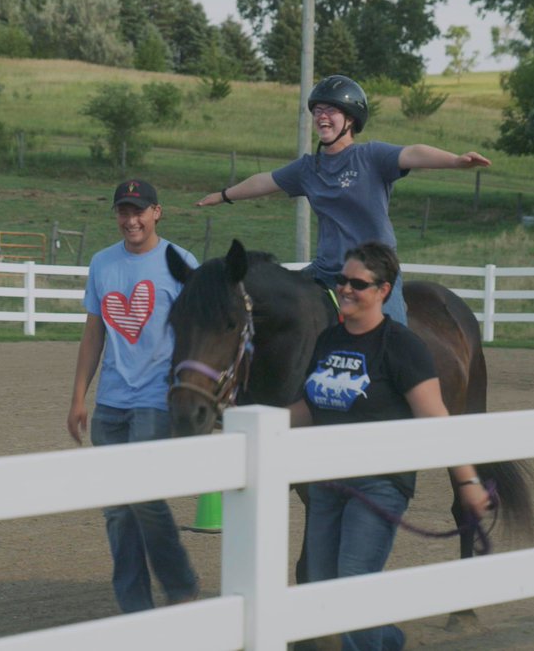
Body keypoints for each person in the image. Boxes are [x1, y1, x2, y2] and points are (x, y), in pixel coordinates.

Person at [288, 242, 491, 651]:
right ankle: (391, 641)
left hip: (378, 485)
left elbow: (436, 418)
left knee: (353, 593)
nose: (345, 289)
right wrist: (252, 424)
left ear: (383, 290)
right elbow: (312, 404)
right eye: (342, 281)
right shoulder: (328, 340)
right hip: (327, 483)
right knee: (322, 595)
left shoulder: (402, 346)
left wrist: (467, 481)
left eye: (357, 284)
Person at [195, 74, 491, 326]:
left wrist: (456, 161)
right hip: (326, 271)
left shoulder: (371, 156)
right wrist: (223, 196)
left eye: (331, 110)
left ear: (350, 118)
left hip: (375, 271)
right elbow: (265, 181)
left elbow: (413, 152)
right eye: (317, 110)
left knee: (391, 338)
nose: (322, 116)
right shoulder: (308, 168)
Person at [66, 178, 201, 613]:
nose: (131, 219)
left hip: (157, 400)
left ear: (157, 212)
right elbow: (93, 334)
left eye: (139, 211)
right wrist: (78, 398)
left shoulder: (180, 262)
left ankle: (179, 584)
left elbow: (201, 333)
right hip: (111, 403)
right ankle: (134, 607)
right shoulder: (103, 264)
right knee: (117, 511)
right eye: (123, 211)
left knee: (142, 496)